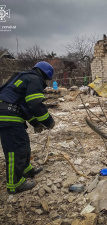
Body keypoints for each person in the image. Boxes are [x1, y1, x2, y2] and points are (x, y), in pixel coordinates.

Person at [0, 61, 55, 194]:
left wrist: (35, 123)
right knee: (15, 149)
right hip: (8, 116)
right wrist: (48, 121)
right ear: (45, 75)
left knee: (23, 142)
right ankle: (15, 184)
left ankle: (26, 169)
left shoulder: (24, 77)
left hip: (9, 113)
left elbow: (23, 106)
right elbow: (35, 104)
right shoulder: (35, 79)